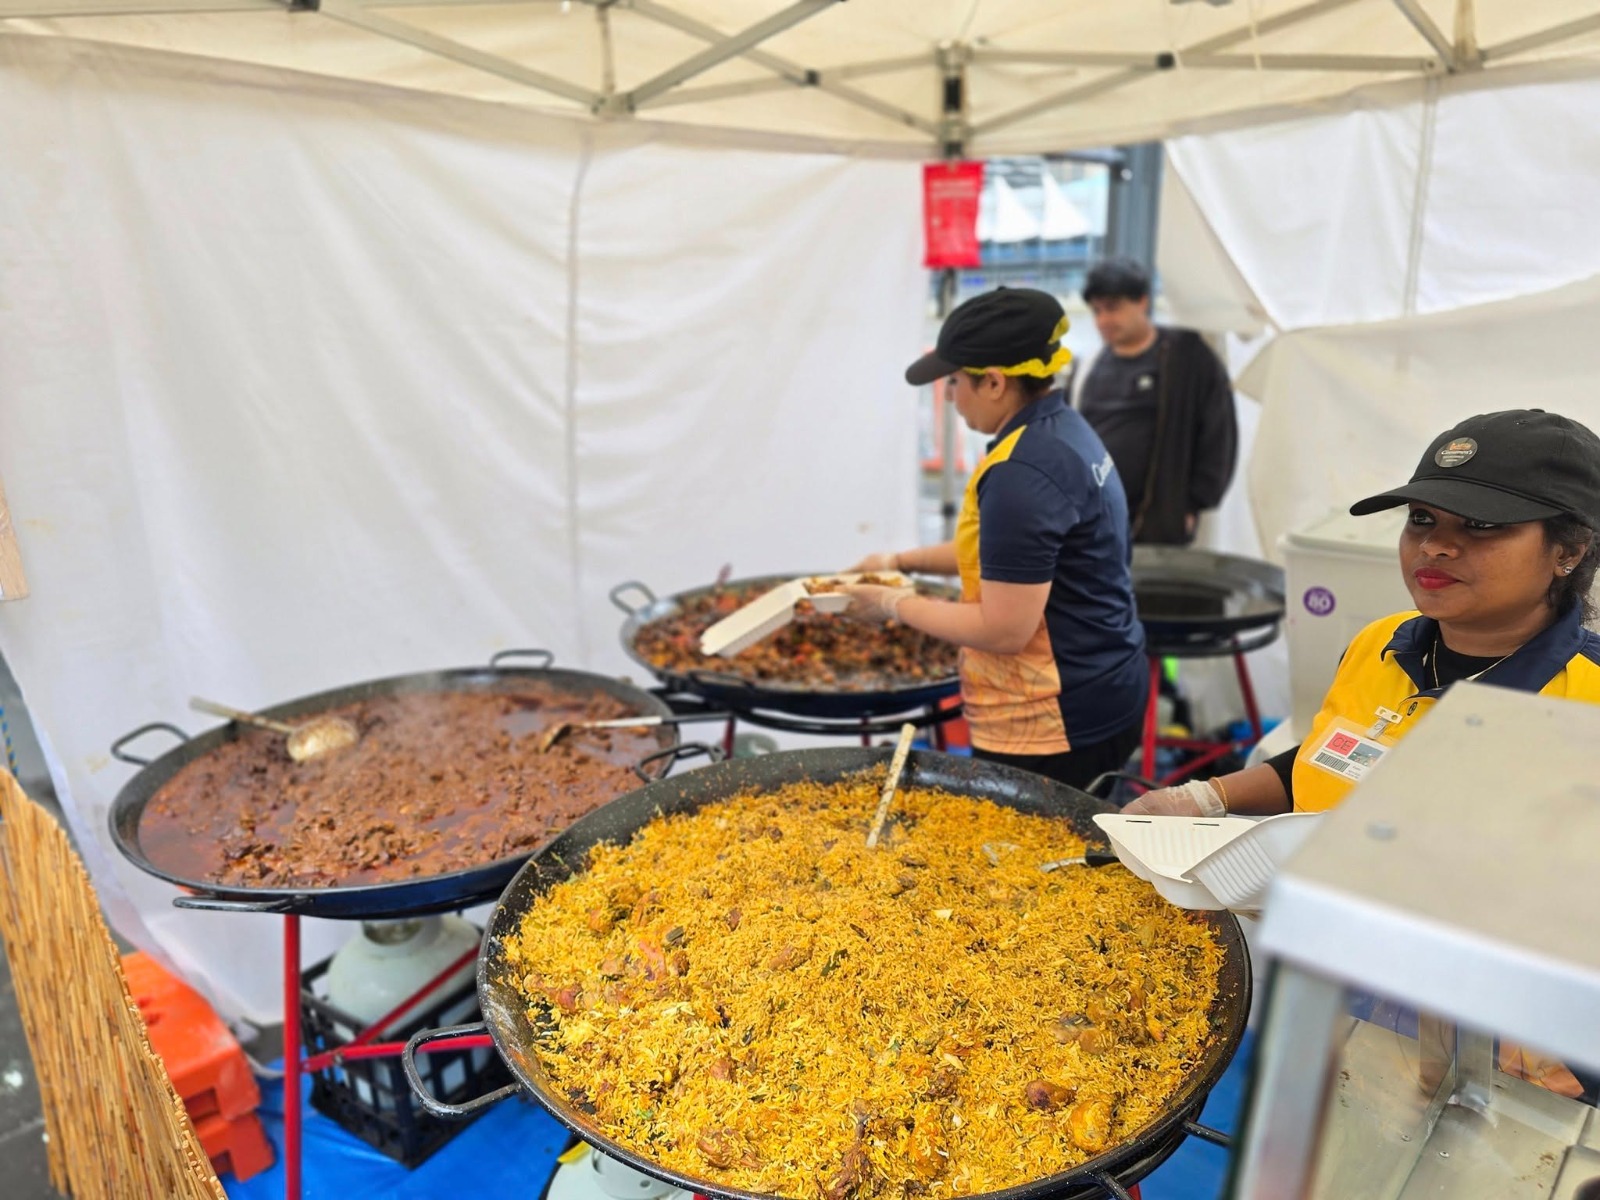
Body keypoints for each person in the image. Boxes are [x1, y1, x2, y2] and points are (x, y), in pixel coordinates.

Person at [1124, 407, 1600, 1099]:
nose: (1436, 548)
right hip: (1337, 994)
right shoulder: (1382, 643)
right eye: (1423, 522)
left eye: (1482, 527)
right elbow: (1325, 759)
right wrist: (1207, 798)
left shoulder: (1583, 701)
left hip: (1501, 1049)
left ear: (1570, 549)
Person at [842, 287, 1148, 791]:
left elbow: (1005, 629)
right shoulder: (1061, 429)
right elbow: (1011, 556)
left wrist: (891, 603)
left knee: (1036, 859)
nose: (948, 395)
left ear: (993, 382)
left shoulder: (1023, 471)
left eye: (955, 380)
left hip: (1054, 720)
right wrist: (899, 559)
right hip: (1107, 677)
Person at [1070, 257, 1237, 545]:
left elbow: (1218, 431)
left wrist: (1194, 503)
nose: (1103, 321)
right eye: (1096, 311)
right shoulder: (1088, 366)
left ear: (1142, 302)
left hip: (1161, 521)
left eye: (1113, 308)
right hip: (1095, 525)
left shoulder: (1185, 356)